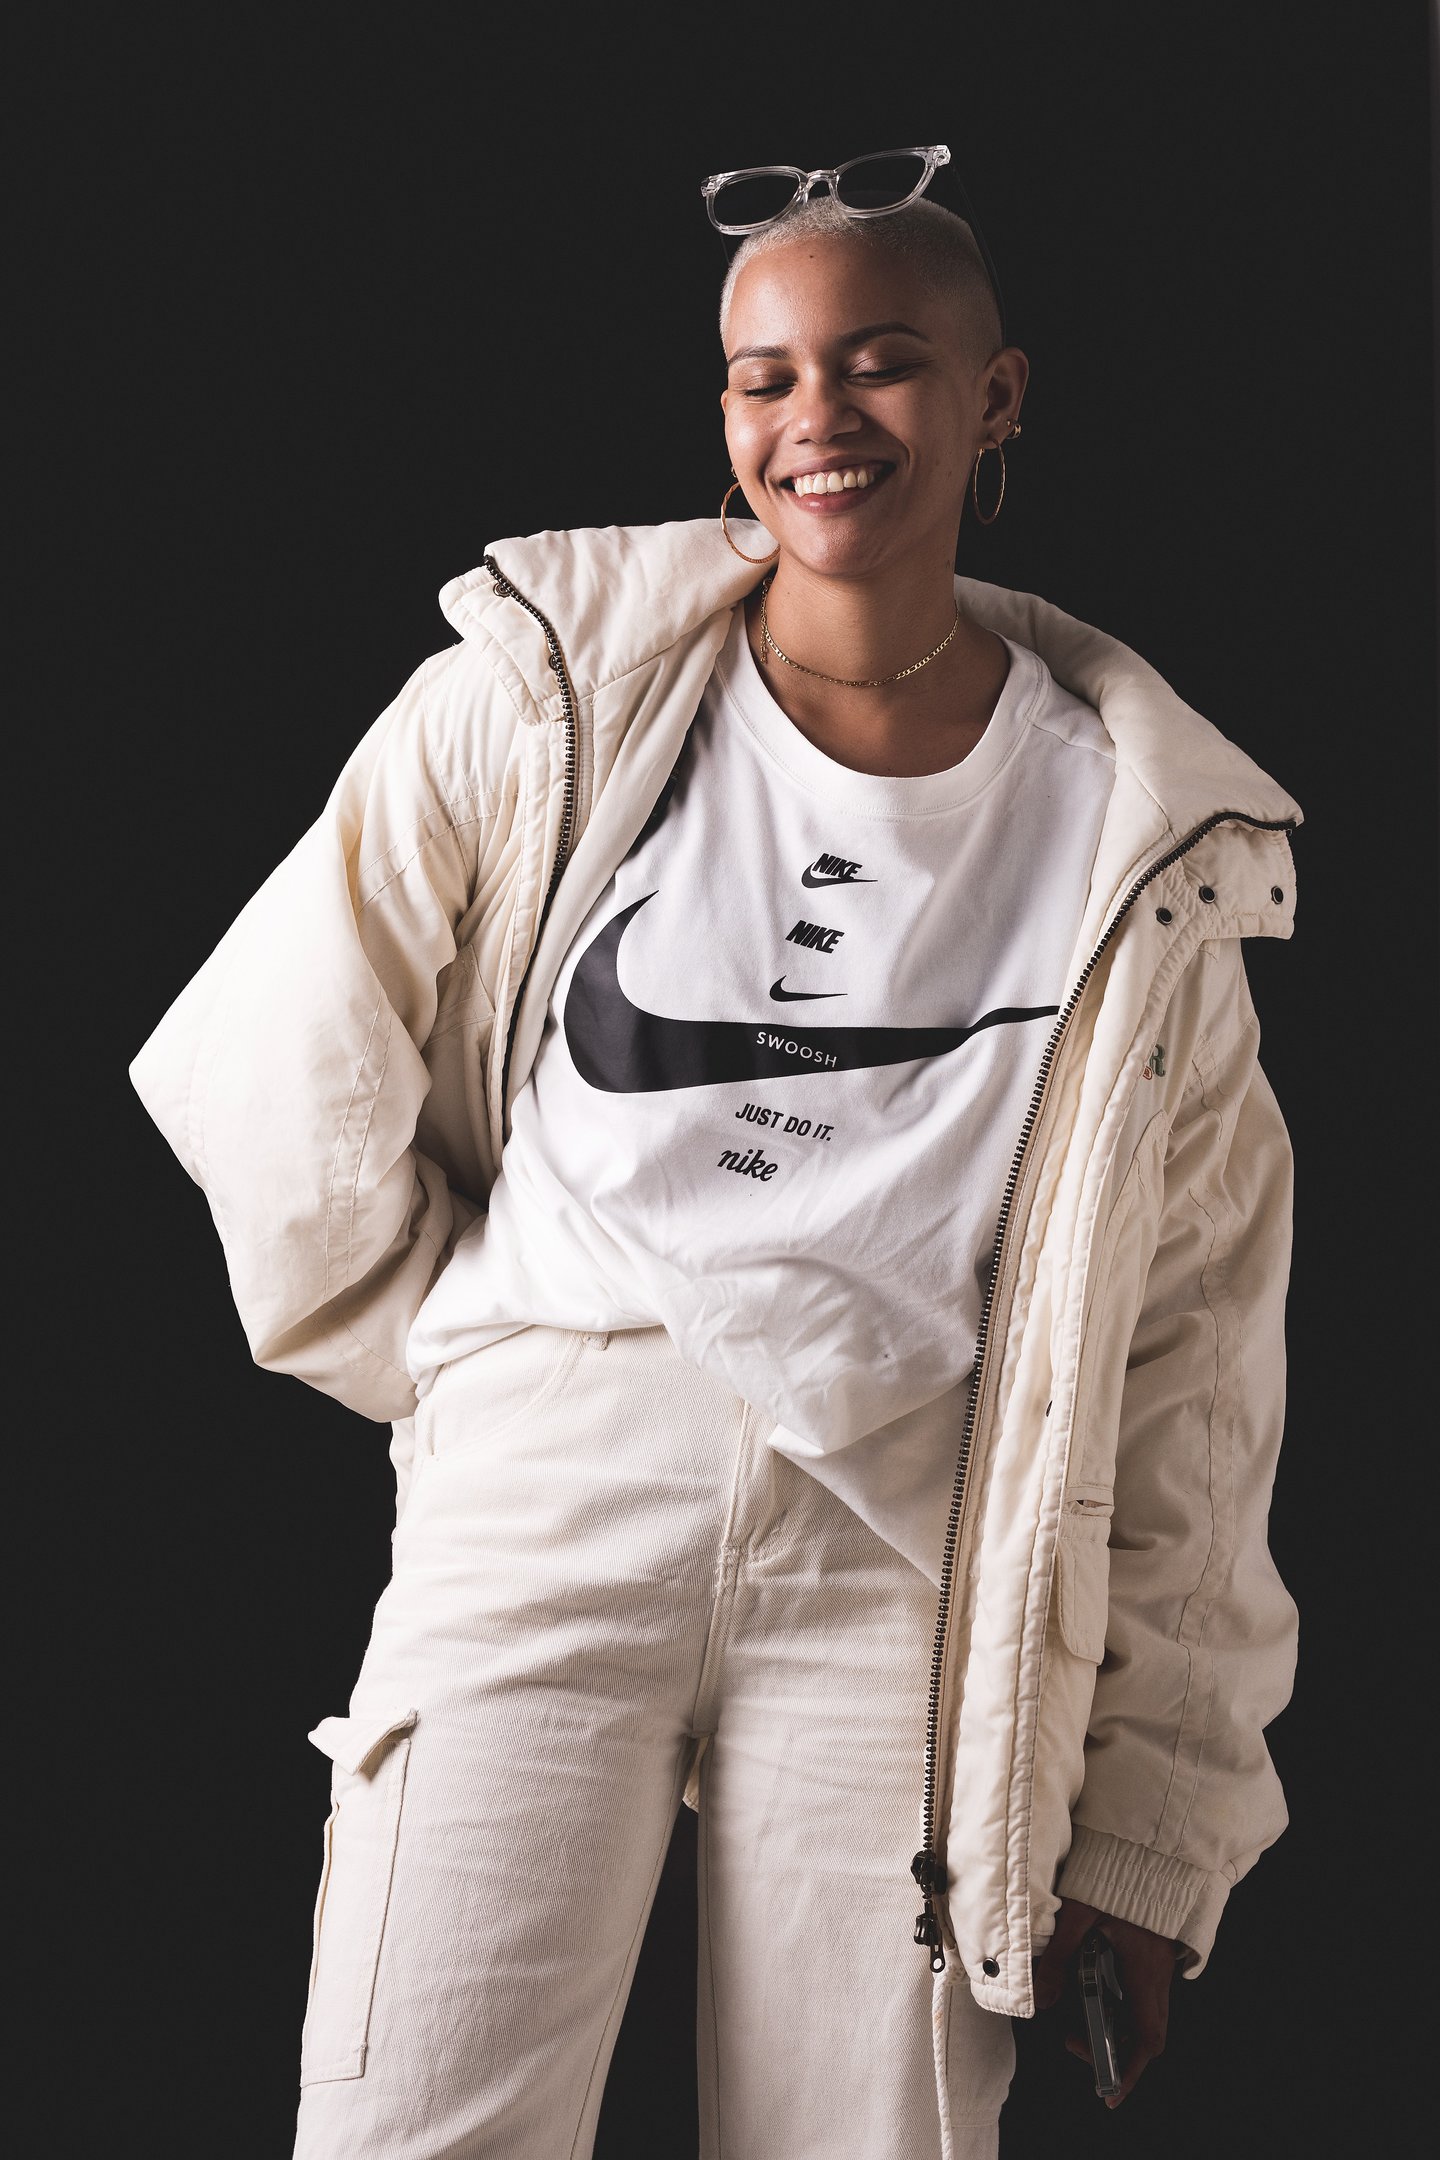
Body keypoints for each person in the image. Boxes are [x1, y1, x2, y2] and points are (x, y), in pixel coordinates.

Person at [129, 147, 1302, 2160]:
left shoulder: (1139, 839)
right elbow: (272, 1062)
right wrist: (472, 1366)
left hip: (904, 1557)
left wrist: (1153, 1828)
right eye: (766, 377)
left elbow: (1196, 1356)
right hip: (550, 1488)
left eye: (881, 361)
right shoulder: (543, 705)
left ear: (997, 397)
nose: (816, 417)